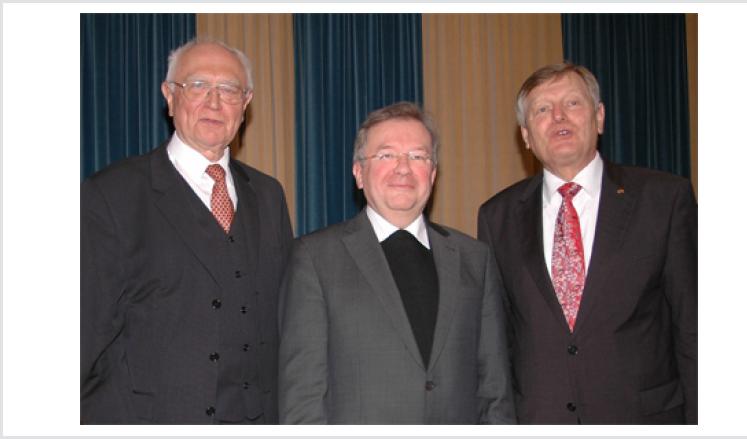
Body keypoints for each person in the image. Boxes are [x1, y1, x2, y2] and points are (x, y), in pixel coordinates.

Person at [81, 38, 293, 424]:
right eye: (197, 86)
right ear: (169, 96)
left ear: (245, 103)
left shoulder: (268, 195)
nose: (214, 103)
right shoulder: (111, 195)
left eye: (228, 89)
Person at [478, 63, 697, 424]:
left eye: (573, 103)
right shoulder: (496, 216)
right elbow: (498, 342)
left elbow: (694, 328)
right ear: (526, 135)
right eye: (542, 110)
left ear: (599, 117)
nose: (559, 116)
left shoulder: (665, 199)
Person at [278, 102, 515, 424]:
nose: (403, 168)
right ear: (359, 173)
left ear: (432, 174)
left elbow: (495, 390)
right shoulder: (315, 258)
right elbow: (303, 398)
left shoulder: (475, 259)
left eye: (418, 156)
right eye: (387, 155)